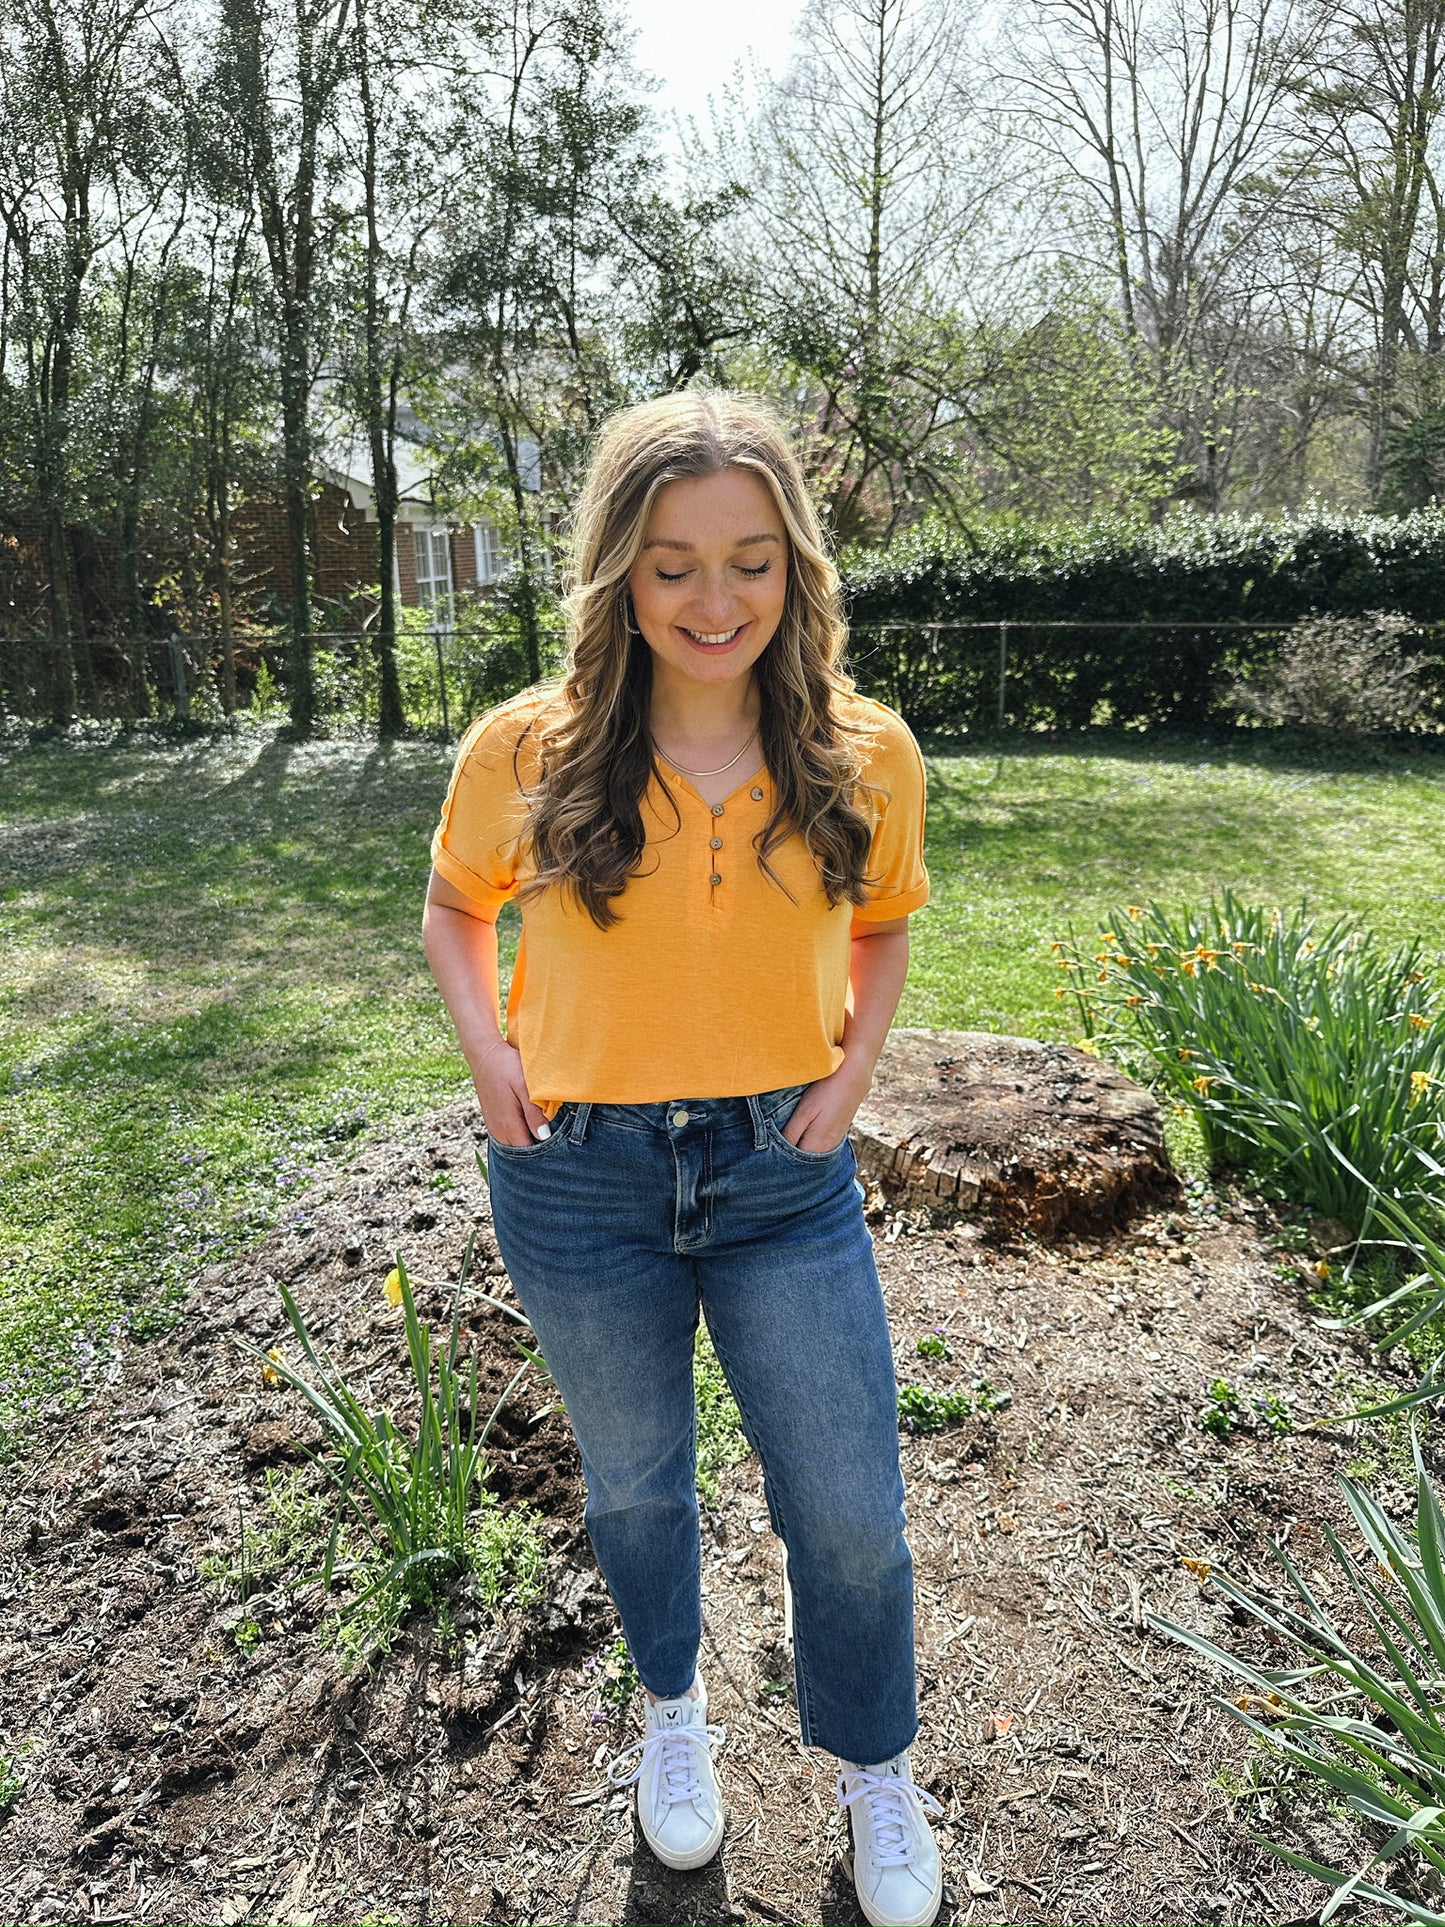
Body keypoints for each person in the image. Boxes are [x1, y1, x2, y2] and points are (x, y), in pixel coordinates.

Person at [422, 390, 942, 1927]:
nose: (713, 601)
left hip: (784, 1178)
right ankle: (669, 1716)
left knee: (846, 1504)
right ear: (616, 574)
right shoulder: (530, 744)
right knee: (638, 1488)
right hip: (578, 1180)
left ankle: (873, 1769)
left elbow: (886, 922)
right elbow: (457, 908)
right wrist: (487, 1053)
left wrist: (853, 1071)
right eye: (671, 565)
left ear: (797, 569)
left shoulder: (865, 750)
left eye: (751, 561)